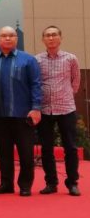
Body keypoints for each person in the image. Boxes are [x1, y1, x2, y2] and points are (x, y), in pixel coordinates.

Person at [0, 26, 42, 197]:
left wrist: (36, 108)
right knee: (3, 153)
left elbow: (36, 85)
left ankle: (25, 185)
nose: (7, 38)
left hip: (23, 115)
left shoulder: (28, 60)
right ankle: (6, 184)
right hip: (0, 115)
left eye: (11, 35)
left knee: (26, 153)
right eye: (4, 36)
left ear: (16, 39)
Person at [35, 26, 81, 196]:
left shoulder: (71, 59)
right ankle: (51, 183)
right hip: (45, 109)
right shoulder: (37, 60)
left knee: (70, 147)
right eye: (47, 35)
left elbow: (76, 82)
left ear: (60, 38)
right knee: (47, 149)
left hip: (66, 108)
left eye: (54, 35)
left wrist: (65, 95)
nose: (51, 38)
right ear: (43, 39)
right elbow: (35, 83)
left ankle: (72, 183)